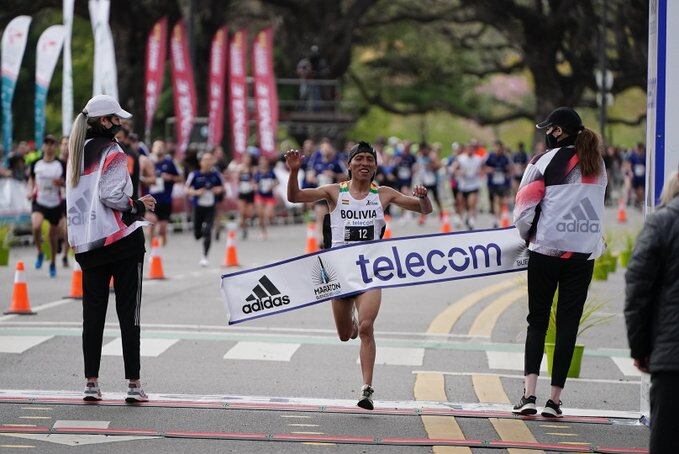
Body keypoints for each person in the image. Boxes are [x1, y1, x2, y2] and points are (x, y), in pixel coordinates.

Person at [285, 141, 432, 410]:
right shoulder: (333, 192)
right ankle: (350, 323)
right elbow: (295, 197)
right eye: (360, 159)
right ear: (349, 164)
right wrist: (294, 171)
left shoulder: (384, 194)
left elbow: (424, 210)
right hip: (340, 272)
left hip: (369, 271)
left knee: (366, 327)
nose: (365, 164)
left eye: (370, 160)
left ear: (375, 166)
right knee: (345, 334)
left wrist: (424, 197)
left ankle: (367, 389)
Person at [512, 107, 607, 417]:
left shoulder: (542, 162)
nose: (547, 133)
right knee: (568, 325)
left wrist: (528, 237)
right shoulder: (598, 164)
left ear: (559, 131)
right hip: (583, 255)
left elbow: (524, 211)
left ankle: (529, 395)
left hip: (547, 251)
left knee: (537, 321)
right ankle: (555, 400)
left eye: (549, 129)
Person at [66, 95, 155, 402]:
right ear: (105, 121)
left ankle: (91, 382)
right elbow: (111, 196)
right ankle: (133, 384)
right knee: (129, 314)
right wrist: (138, 205)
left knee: (92, 316)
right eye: (116, 118)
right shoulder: (113, 151)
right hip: (122, 242)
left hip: (89, 243)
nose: (120, 123)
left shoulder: (76, 152)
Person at [625, 170, 679, 453]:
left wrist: (641, 349)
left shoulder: (661, 223)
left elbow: (637, 292)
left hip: (671, 358)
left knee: (667, 440)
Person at [28, 135, 65, 277]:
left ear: (55, 147)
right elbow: (31, 180)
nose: (49, 146)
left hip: (54, 203)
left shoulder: (60, 164)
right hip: (40, 201)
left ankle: (53, 263)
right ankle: (40, 251)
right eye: (46, 143)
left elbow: (66, 182)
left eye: (52, 144)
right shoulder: (35, 163)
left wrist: (60, 183)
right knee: (36, 226)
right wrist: (30, 191)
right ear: (43, 146)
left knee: (52, 236)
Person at [186, 151, 224, 266]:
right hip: (198, 207)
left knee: (208, 231)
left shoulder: (216, 175)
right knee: (197, 234)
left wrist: (217, 190)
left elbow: (222, 188)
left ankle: (205, 256)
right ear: (200, 162)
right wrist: (197, 192)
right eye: (205, 160)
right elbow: (187, 189)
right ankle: (199, 232)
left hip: (210, 207)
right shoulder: (195, 175)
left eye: (210, 160)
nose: (208, 162)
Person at [148, 139, 182, 245]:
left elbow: (180, 178)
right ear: (152, 149)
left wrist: (170, 177)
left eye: (161, 146)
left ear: (165, 149)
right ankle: (153, 249)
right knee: (151, 225)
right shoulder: (148, 162)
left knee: (161, 229)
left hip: (165, 200)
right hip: (150, 199)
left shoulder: (169, 162)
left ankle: (162, 249)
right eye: (156, 146)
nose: (159, 149)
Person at [455, 144, 484, 230]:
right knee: (462, 204)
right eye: (468, 149)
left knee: (472, 203)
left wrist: (480, 172)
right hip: (463, 185)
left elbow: (483, 169)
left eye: (472, 149)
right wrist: (458, 172)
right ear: (466, 150)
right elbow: (454, 168)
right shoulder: (461, 158)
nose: (470, 151)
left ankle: (471, 220)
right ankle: (461, 219)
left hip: (474, 185)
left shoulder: (478, 159)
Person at [484, 140, 512, 227]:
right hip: (491, 182)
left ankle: (497, 218)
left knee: (498, 200)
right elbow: (484, 167)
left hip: (501, 183)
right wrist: (490, 170)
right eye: (496, 147)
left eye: (499, 148)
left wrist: (507, 172)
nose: (497, 149)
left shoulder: (505, 157)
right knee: (492, 200)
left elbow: (510, 169)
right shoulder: (490, 156)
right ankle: (494, 216)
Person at [254, 157, 278, 240]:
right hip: (260, 195)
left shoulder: (271, 171)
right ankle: (263, 232)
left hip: (269, 196)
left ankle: (269, 219)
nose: (263, 163)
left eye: (264, 161)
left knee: (269, 214)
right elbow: (254, 183)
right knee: (260, 214)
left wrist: (272, 186)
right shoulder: (257, 172)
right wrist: (256, 186)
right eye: (261, 161)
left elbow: (277, 181)